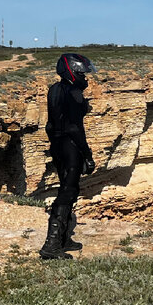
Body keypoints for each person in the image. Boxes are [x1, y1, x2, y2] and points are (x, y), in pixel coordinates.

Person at [39, 53, 97, 260]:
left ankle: (63, 238)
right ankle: (52, 245)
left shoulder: (55, 89)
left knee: (68, 187)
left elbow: (51, 124)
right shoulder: (73, 92)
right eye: (83, 73)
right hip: (70, 145)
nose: (86, 78)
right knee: (68, 191)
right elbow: (74, 128)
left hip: (57, 144)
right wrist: (87, 154)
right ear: (72, 72)